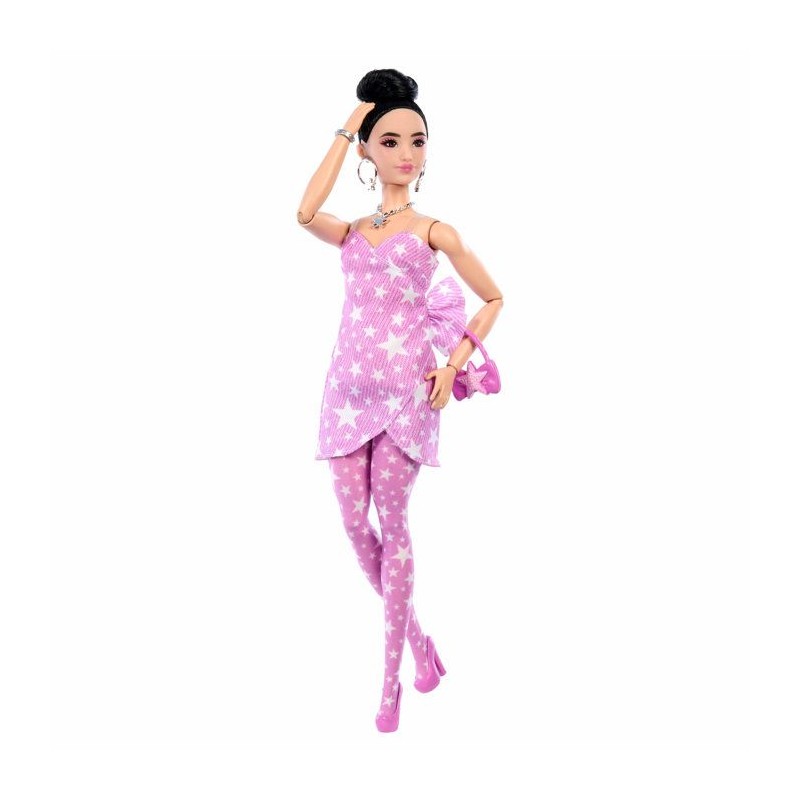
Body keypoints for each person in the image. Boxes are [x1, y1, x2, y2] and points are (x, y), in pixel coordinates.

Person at [296, 68, 504, 733]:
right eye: (389, 141)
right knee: (355, 525)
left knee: (393, 518)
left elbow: (494, 297)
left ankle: (391, 687)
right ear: (367, 150)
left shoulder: (436, 231)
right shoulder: (351, 231)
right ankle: (420, 643)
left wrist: (453, 364)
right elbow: (304, 213)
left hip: (408, 394)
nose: (407, 153)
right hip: (347, 392)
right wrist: (348, 125)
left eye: (417, 140)